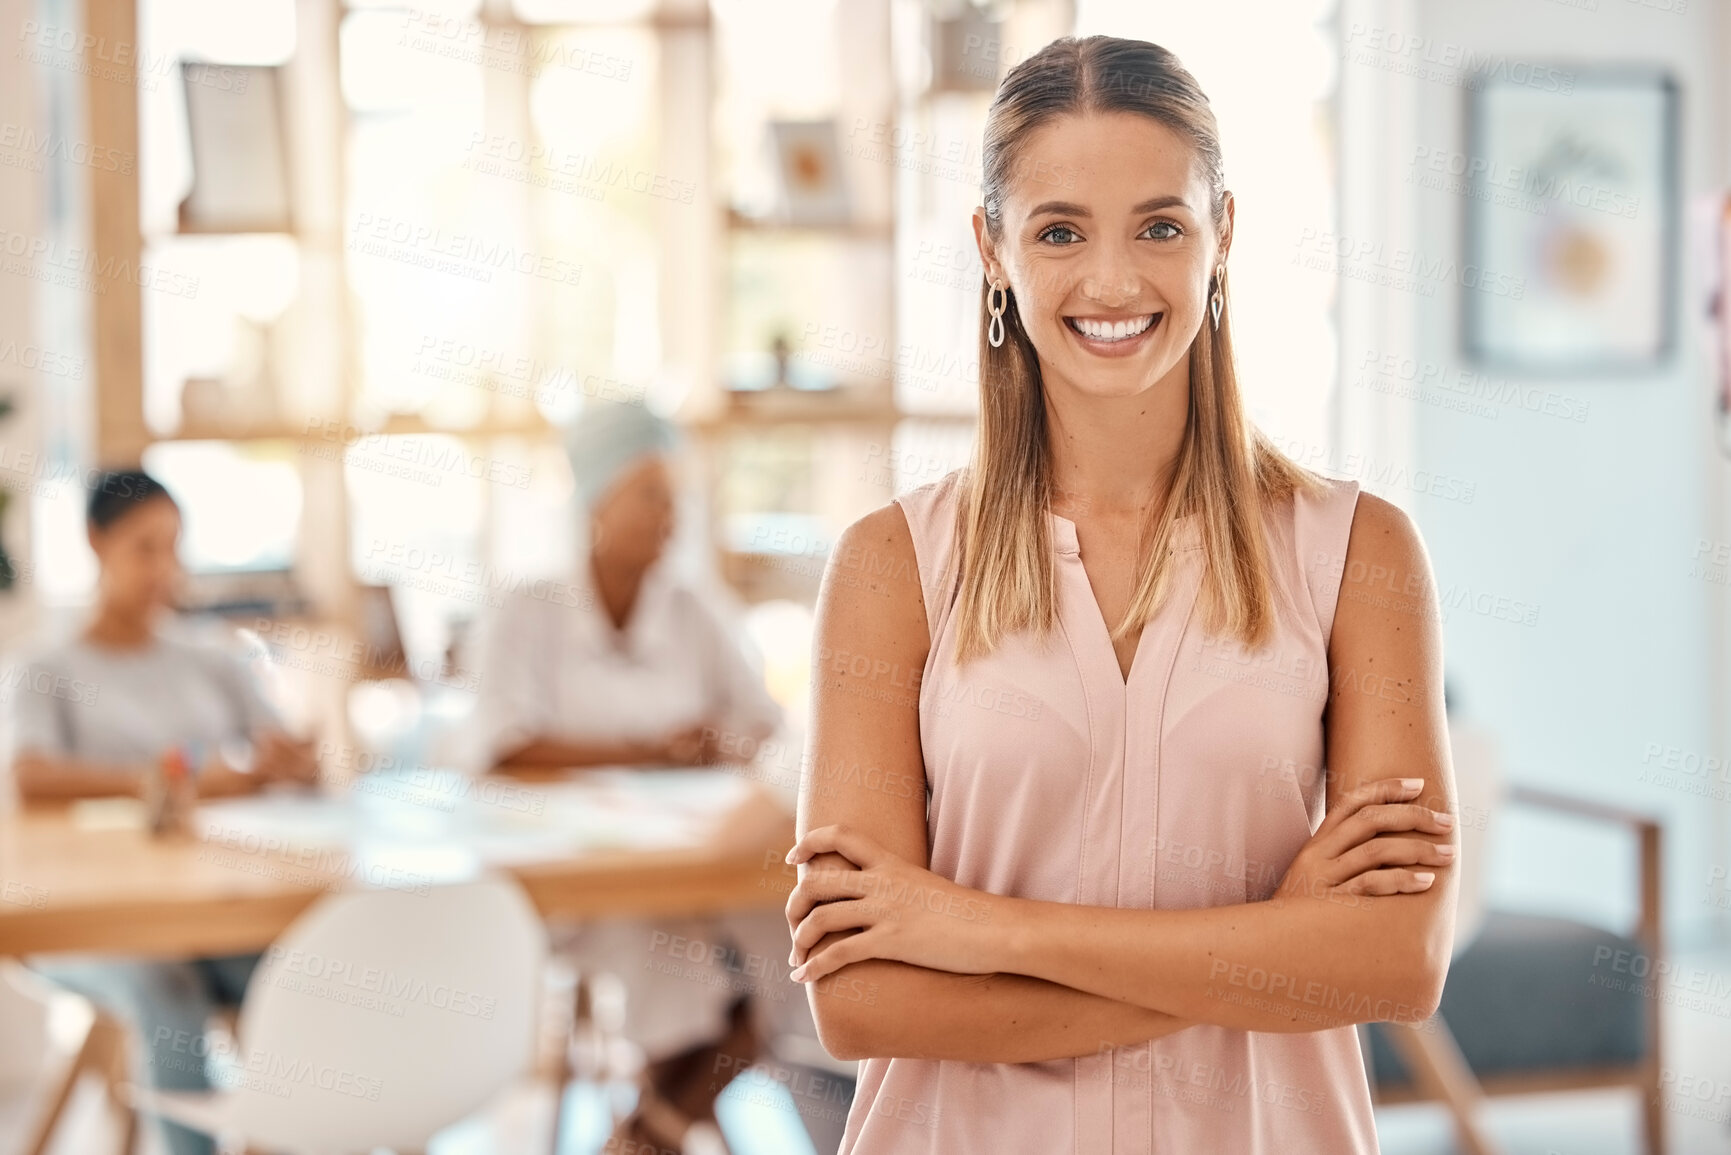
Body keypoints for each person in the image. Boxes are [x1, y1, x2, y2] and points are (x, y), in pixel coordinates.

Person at [781, 36, 1460, 1154]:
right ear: (992, 250)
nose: (1112, 282)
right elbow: (861, 1002)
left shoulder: (1362, 555)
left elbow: (1397, 962)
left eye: (1160, 225)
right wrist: (1277, 947)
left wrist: (972, 928)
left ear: (1223, 234)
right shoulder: (889, 567)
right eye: (1058, 231)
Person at [465, 400, 810, 1154]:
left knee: (797, 938)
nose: (671, 516)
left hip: (702, 857)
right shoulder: (527, 610)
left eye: (676, 497)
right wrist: (646, 749)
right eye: (651, 494)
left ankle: (643, 1132)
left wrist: (713, 740)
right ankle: (657, 1128)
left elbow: (766, 730)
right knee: (668, 953)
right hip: (583, 874)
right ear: (597, 501)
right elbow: (501, 748)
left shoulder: (694, 608)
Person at [8, 468, 319, 1155]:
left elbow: (282, 750)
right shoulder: (48, 668)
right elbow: (31, 777)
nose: (163, 569)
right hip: (92, 916)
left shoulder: (212, 660)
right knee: (165, 988)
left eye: (174, 548)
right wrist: (171, 783)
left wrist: (290, 762)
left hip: (208, 906)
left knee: (294, 975)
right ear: (96, 544)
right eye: (143, 548)